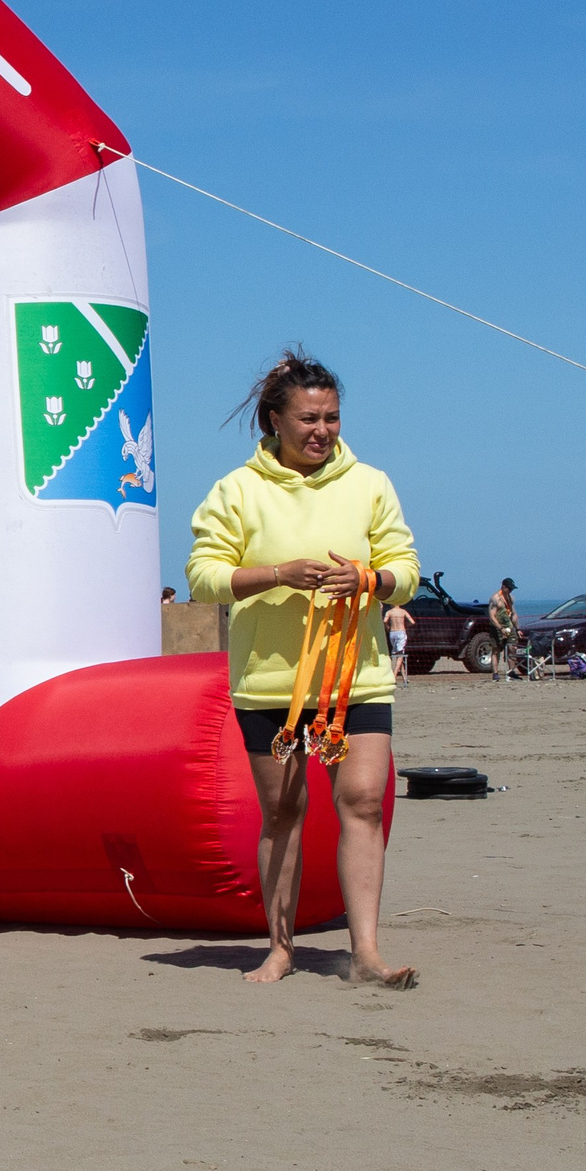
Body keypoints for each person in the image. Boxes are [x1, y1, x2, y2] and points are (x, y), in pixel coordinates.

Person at [186, 347, 420, 990]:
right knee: (284, 811)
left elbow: (407, 573)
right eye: (309, 419)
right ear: (274, 421)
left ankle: (366, 954)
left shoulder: (370, 483)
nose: (322, 431)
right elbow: (203, 577)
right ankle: (281, 949)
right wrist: (277, 575)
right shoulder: (237, 490)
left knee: (364, 803)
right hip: (270, 684)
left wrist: (369, 578)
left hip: (358, 678)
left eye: (333, 418)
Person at [489, 578, 520, 682]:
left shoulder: (510, 598)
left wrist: (517, 628)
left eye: (512, 589)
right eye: (509, 588)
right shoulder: (496, 599)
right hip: (497, 627)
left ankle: (511, 672)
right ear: (503, 587)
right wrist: (500, 628)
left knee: (512, 648)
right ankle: (495, 673)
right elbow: (492, 616)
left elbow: (513, 614)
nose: (511, 591)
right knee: (496, 650)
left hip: (509, 627)